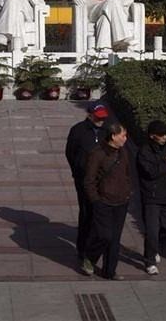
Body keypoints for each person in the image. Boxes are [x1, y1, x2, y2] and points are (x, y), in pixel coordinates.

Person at [82, 122, 132, 280]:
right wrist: (95, 200)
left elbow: (127, 173)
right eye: (123, 135)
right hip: (103, 202)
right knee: (105, 235)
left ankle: (109, 271)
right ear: (113, 136)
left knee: (115, 239)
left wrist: (128, 191)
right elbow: (89, 180)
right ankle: (89, 258)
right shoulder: (98, 154)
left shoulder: (123, 152)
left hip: (121, 201)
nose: (125, 138)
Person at [65, 102, 111, 261]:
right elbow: (70, 153)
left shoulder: (107, 131)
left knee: (100, 214)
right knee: (86, 213)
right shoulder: (78, 131)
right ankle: (82, 248)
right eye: (98, 118)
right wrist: (77, 170)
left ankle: (96, 246)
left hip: (104, 180)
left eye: (103, 118)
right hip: (83, 180)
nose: (101, 121)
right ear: (90, 115)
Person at [137, 120, 166, 275]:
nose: (165, 137)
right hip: (152, 198)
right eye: (161, 135)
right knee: (152, 231)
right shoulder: (144, 152)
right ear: (152, 136)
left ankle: (156, 248)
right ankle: (149, 261)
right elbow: (150, 172)